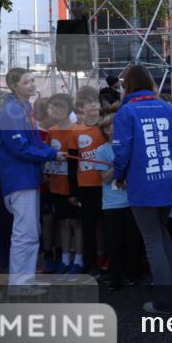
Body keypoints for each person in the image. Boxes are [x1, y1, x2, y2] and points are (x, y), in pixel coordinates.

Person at [113, 64, 172, 314]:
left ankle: (165, 301)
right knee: (161, 235)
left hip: (143, 183)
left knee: (153, 240)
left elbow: (122, 150)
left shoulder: (127, 112)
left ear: (128, 85)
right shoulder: (167, 108)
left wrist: (119, 175)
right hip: (168, 180)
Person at [0, 69, 62, 288]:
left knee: (31, 232)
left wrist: (49, 151)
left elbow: (33, 143)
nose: (33, 85)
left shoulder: (24, 109)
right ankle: (20, 284)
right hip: (19, 180)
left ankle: (26, 280)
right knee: (25, 233)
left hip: (27, 178)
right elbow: (20, 148)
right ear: (15, 86)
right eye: (27, 82)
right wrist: (51, 153)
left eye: (33, 81)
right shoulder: (12, 111)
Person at [95, 112, 143, 291]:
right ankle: (115, 277)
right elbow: (105, 178)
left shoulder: (131, 146)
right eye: (115, 124)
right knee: (115, 241)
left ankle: (134, 274)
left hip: (133, 201)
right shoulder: (101, 151)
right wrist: (119, 162)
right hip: (112, 203)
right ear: (107, 130)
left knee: (133, 239)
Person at [46, 94, 84, 274]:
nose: (57, 111)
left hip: (74, 186)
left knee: (76, 224)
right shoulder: (51, 131)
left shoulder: (78, 130)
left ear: (69, 109)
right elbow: (47, 156)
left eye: (61, 107)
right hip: (56, 186)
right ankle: (64, 259)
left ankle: (79, 260)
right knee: (62, 223)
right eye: (53, 107)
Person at [71, 89, 105, 276]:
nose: (93, 105)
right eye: (88, 102)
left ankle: (107, 261)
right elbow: (71, 162)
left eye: (95, 102)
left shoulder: (106, 127)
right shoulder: (75, 130)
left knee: (108, 226)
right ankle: (91, 264)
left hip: (107, 186)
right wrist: (73, 190)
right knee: (88, 227)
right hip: (85, 187)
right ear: (81, 107)